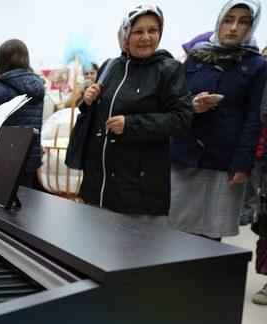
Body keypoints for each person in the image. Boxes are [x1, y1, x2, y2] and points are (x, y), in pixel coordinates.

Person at [77, 4, 192, 223]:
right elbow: (97, 119)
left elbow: (182, 120)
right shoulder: (110, 67)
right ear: (125, 34)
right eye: (138, 31)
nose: (146, 37)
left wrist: (132, 125)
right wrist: (88, 101)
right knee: (94, 253)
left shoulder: (168, 70)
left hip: (139, 190)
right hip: (98, 184)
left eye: (152, 30)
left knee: (135, 254)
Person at [170, 0, 267, 240]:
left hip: (223, 162)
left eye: (243, 22)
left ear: (251, 27)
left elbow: (253, 119)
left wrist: (243, 163)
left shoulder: (257, 66)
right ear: (219, 22)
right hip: (184, 157)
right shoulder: (194, 59)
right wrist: (192, 106)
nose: (234, 27)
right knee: (174, 231)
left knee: (210, 237)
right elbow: (175, 103)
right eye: (228, 19)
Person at [0, 39, 45, 189]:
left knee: (1, 203)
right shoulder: (38, 86)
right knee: (25, 201)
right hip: (31, 156)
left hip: (5, 158)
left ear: (2, 60)